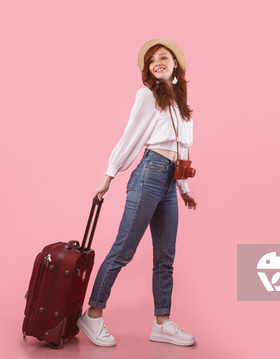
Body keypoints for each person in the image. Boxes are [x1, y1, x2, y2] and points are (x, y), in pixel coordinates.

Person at [76, 38, 198, 347]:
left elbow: (182, 150)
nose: (158, 62)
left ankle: (162, 322)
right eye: (153, 59)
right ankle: (92, 315)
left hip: (170, 182)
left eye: (164, 57)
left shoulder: (183, 108)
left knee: (165, 257)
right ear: (149, 69)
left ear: (176, 65)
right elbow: (130, 136)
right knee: (123, 250)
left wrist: (184, 189)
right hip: (150, 174)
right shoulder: (147, 96)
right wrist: (109, 174)